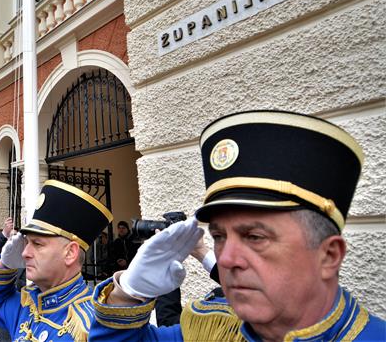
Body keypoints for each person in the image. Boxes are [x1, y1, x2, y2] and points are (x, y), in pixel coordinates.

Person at [90, 110, 386, 341]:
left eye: (255, 237)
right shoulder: (210, 331)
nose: (227, 258)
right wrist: (128, 293)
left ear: (329, 256)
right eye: (219, 236)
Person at [0, 180, 112, 341]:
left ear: (70, 253)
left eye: (37, 244)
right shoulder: (28, 304)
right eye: (26, 242)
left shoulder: (93, 324)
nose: (24, 253)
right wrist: (4, 265)